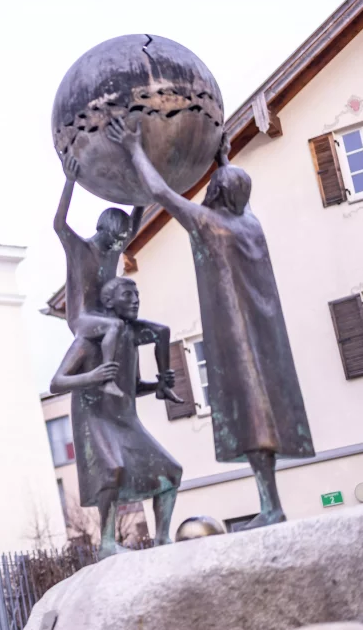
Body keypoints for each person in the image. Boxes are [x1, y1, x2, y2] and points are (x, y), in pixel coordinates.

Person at [107, 116, 315, 530]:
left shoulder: (211, 224)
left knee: (252, 416)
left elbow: (161, 192)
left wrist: (133, 148)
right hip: (260, 331)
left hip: (234, 333)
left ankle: (271, 506)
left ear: (217, 194)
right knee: (261, 413)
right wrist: (223, 157)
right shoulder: (247, 223)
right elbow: (244, 197)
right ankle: (270, 502)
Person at [50, 276, 183, 557]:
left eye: (137, 296)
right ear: (109, 302)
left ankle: (162, 539)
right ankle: (107, 543)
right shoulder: (88, 342)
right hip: (95, 417)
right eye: (127, 295)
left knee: (171, 472)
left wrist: (158, 386)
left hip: (124, 419)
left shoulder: (128, 339)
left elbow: (131, 387)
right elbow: (57, 382)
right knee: (112, 470)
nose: (135, 301)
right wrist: (92, 376)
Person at [55, 153, 145, 397]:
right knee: (116, 325)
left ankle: (138, 381)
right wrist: (70, 182)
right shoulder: (79, 248)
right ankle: (107, 380)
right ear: (105, 230)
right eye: (117, 238)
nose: (120, 243)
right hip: (82, 317)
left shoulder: (112, 250)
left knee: (131, 328)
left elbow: (134, 228)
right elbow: (59, 225)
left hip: (104, 315)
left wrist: (142, 196)